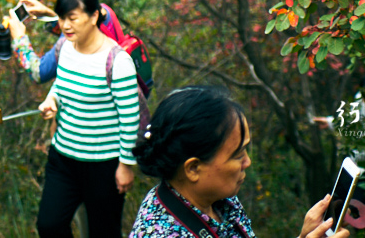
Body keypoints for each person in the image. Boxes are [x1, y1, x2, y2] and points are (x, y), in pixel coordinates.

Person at [129, 86, 349, 238]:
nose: (248, 162)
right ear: (193, 168)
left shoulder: (218, 201)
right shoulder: (163, 231)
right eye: (238, 155)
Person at [35, 0, 141, 237]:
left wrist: (126, 164)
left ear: (94, 16)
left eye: (72, 18)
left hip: (104, 166)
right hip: (63, 158)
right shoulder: (65, 49)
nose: (65, 25)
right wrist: (52, 100)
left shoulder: (117, 61)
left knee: (103, 232)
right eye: (62, 18)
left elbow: (130, 118)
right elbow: (61, 84)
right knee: (49, 225)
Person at [9, 0, 126, 83]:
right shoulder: (103, 11)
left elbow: (39, 72)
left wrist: (19, 38)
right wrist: (49, 13)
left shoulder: (69, 42)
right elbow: (81, 27)